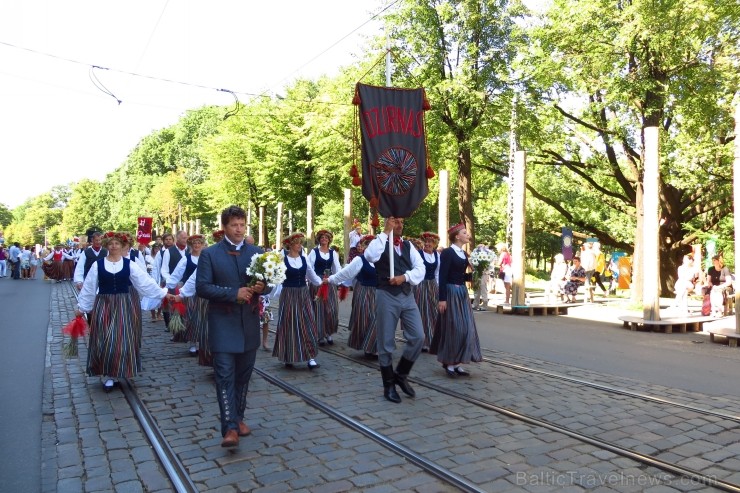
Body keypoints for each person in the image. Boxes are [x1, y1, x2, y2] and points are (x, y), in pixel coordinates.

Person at [196, 206, 267, 448]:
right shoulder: (210, 254)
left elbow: (266, 283)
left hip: (248, 324)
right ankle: (229, 429)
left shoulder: (256, 252)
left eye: (242, 224)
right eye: (234, 225)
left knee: (243, 376)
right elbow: (202, 288)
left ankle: (238, 417)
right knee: (225, 376)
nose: (239, 229)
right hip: (222, 325)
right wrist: (231, 293)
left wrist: (261, 287)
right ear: (224, 227)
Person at [75, 231, 171, 391]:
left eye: (117, 244)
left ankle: (120, 369)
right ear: (106, 245)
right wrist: (82, 308)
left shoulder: (129, 264)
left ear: (121, 246)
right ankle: (108, 375)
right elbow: (89, 288)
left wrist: (163, 293)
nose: (113, 246)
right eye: (111, 243)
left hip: (123, 305)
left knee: (121, 339)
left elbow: (144, 282)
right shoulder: (97, 265)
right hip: (104, 304)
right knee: (105, 339)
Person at [364, 216, 425, 404]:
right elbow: (370, 256)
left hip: (406, 294)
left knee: (418, 337)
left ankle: (401, 374)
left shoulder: (408, 246)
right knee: (386, 341)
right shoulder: (380, 243)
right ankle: (388, 384)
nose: (399, 225)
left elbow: (420, 268)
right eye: (395, 221)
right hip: (386, 295)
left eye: (401, 222)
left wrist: (404, 277)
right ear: (388, 222)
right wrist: (384, 232)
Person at [431, 223, 482, 376]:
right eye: (464, 232)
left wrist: (476, 274)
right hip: (451, 292)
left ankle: (458, 362)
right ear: (457, 236)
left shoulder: (464, 255)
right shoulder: (447, 253)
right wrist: (442, 299)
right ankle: (449, 363)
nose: (468, 235)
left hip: (462, 293)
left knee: (467, 328)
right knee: (455, 329)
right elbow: (443, 276)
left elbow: (462, 276)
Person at [272, 232, 321, 369]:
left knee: (308, 322)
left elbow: (312, 276)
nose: (300, 245)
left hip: (303, 293)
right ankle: (289, 355)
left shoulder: (304, 259)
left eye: (301, 243)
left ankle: (310, 357)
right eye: (297, 243)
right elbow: (276, 278)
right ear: (290, 245)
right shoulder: (282, 259)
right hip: (289, 294)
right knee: (290, 323)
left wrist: (324, 282)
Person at [329, 234, 378, 358]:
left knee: (378, 320)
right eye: (369, 245)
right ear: (365, 247)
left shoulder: (382, 260)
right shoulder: (359, 260)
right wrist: (331, 279)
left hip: (379, 293)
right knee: (366, 318)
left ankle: (374, 346)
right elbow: (346, 273)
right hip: (364, 292)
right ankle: (367, 347)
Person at [167, 234, 206, 354]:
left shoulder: (206, 258)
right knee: (191, 317)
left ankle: (202, 342)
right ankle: (193, 344)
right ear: (191, 245)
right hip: (189, 293)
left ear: (203, 245)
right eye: (194, 243)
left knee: (203, 318)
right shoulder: (186, 259)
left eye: (199, 243)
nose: (197, 245)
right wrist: (168, 287)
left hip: (204, 292)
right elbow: (177, 273)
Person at [307, 229, 341, 346]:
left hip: (329, 282)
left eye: (326, 238)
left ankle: (329, 332)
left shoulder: (333, 253)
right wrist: (314, 280)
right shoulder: (314, 252)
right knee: (318, 308)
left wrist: (337, 280)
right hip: (317, 282)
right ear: (319, 239)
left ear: (329, 240)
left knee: (331, 309)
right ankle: (320, 335)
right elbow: (309, 267)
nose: (324, 239)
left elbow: (337, 268)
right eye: (322, 238)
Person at [415, 232, 440, 351]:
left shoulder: (437, 255)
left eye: (430, 242)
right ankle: (422, 341)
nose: (427, 244)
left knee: (434, 313)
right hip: (420, 285)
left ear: (434, 244)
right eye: (426, 241)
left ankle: (434, 340)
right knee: (422, 312)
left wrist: (438, 287)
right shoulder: (418, 254)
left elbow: (437, 273)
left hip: (432, 285)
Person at [471, 243, 493, 311]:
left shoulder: (488, 254)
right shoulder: (475, 253)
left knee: (483, 289)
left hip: (484, 274)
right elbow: (472, 262)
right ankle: (475, 304)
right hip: (477, 273)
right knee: (476, 289)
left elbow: (489, 265)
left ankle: (485, 304)